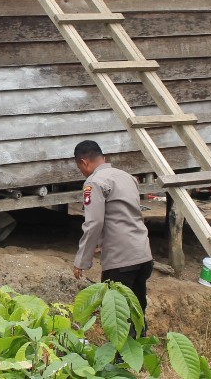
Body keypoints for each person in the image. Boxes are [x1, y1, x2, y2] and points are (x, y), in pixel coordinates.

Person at [71, 140, 154, 330]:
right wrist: (102, 243)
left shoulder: (94, 182)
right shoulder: (127, 177)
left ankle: (121, 350)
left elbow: (94, 223)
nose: (81, 171)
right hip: (143, 254)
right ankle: (139, 345)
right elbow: (122, 215)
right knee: (137, 310)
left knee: (119, 318)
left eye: (79, 167)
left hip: (121, 260)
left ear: (84, 162)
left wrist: (82, 260)